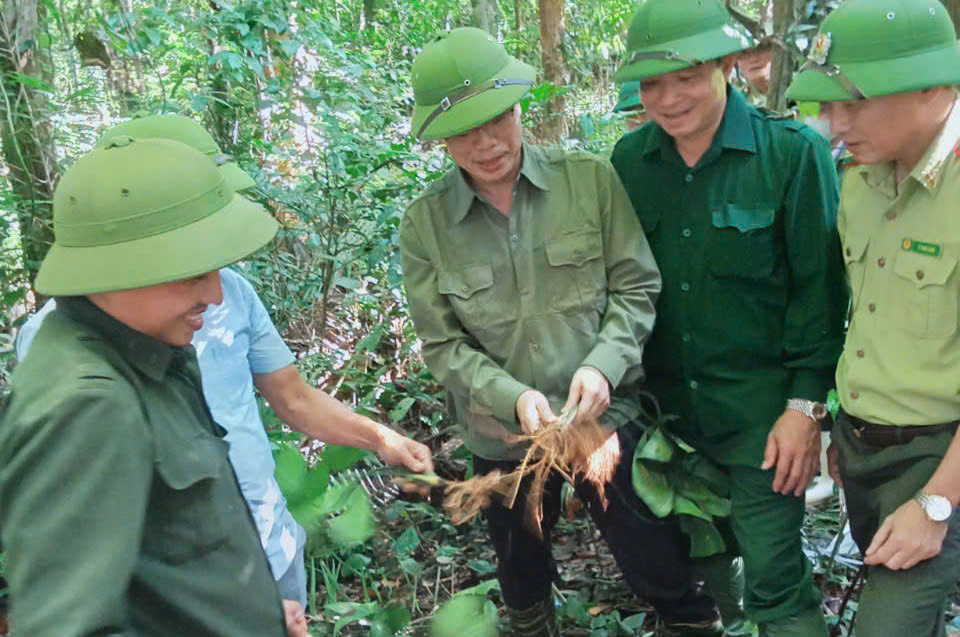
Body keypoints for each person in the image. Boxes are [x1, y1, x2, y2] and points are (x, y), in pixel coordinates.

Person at [14, 114, 434, 616]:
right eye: (194, 269)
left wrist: (380, 439)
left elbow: (292, 396)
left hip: (263, 547)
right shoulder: (76, 377)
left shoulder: (224, 296)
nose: (213, 294)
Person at [399, 26, 721, 637]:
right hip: (502, 438)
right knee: (521, 570)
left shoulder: (589, 183)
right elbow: (442, 343)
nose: (486, 142)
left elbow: (636, 286)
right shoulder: (425, 225)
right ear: (439, 137)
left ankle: (693, 624)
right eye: (463, 130)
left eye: (497, 118)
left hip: (601, 418)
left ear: (520, 108)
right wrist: (512, 398)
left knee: (653, 556)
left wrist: (601, 365)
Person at [609, 1, 847, 635]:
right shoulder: (629, 164)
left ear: (724, 65)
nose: (668, 98)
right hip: (668, 421)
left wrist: (806, 411)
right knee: (708, 570)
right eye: (653, 83)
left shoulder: (792, 155)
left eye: (686, 76)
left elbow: (821, 295)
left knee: (774, 580)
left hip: (762, 421)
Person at [0, 136, 292, 636]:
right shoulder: (89, 403)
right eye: (195, 272)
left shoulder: (148, 350)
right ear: (121, 268)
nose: (215, 294)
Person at [787, 1, 960, 634]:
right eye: (828, 106)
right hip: (861, 453)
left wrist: (936, 503)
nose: (834, 124)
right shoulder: (859, 184)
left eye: (852, 102)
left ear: (933, 87)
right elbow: (864, 316)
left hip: (939, 461)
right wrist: (841, 424)